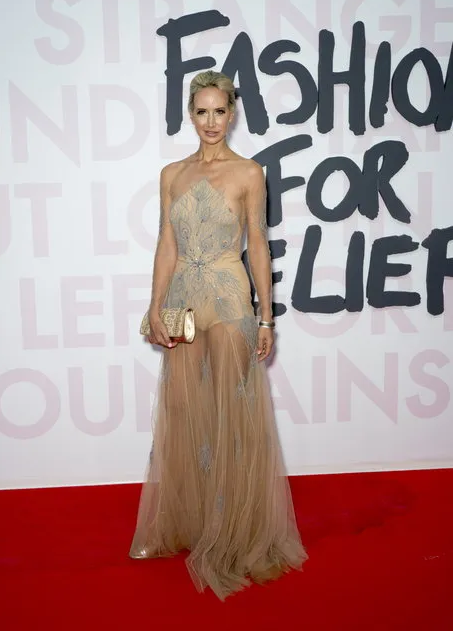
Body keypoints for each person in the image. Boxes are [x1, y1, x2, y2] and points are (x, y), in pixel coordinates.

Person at [129, 70, 307, 600]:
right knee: (186, 415)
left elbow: (258, 244)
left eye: (220, 111)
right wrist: (155, 304)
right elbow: (167, 243)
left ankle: (237, 533)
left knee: (234, 418)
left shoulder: (249, 172)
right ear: (191, 114)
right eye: (201, 112)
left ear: (233, 114)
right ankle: (189, 522)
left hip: (230, 300)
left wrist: (267, 315)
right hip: (184, 300)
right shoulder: (171, 174)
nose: (211, 122)